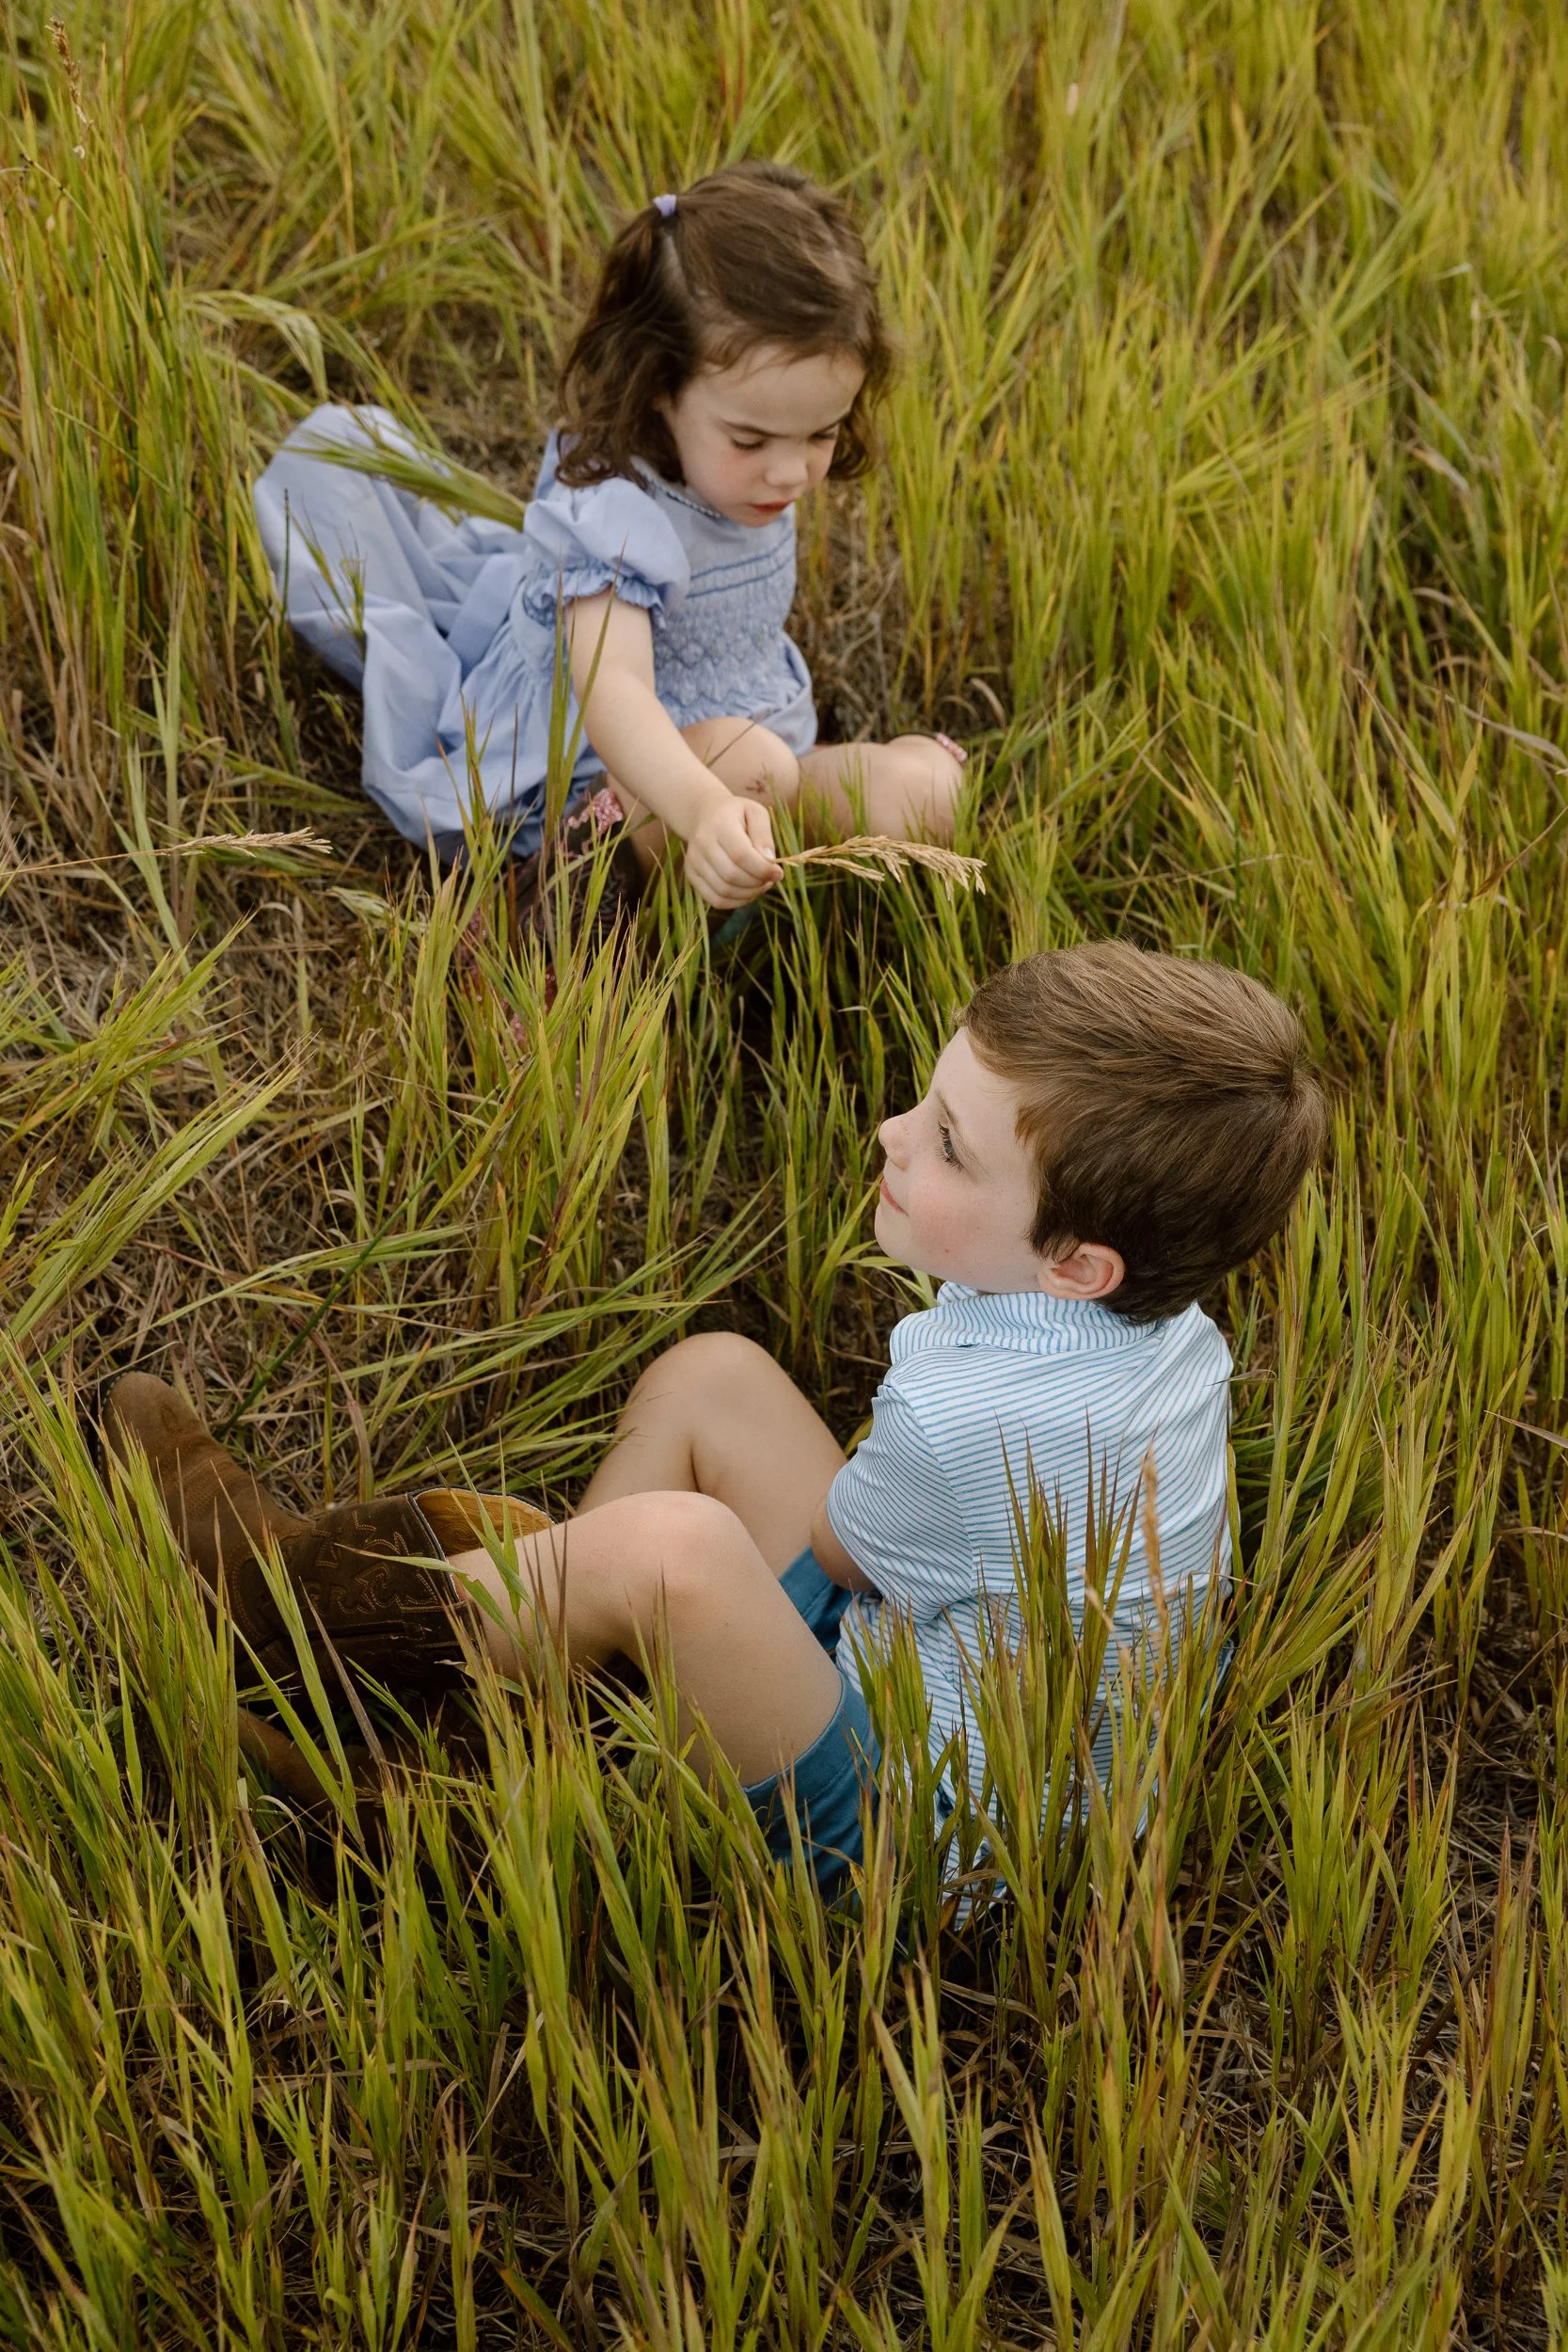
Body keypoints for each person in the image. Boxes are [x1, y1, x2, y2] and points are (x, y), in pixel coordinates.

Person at [99, 943, 1325, 1898]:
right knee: (715, 1373)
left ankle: (283, 1621)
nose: (892, 1136)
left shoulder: (972, 1417)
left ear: (1076, 1263)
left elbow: (843, 1554)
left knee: (673, 1553)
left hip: (923, 1840)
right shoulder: (1168, 1330)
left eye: (947, 1148)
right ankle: (541, 1726)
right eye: (925, 1103)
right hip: (972, 1695)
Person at [253, 161, 966, 917]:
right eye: (751, 440)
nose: (790, 472)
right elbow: (612, 689)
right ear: (660, 387)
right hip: (600, 781)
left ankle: (763, 847)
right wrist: (700, 809)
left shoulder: (744, 473)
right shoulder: (614, 515)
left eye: (819, 433)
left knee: (922, 793)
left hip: (747, 750)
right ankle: (548, 917)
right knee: (749, 767)